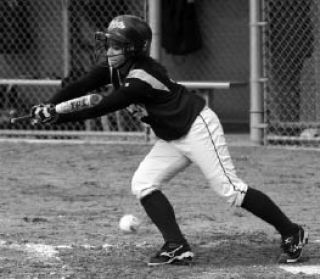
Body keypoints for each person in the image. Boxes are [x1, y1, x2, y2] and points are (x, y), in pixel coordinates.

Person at [31, 15, 308, 266]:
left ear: (132, 49)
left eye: (117, 45)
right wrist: (48, 105)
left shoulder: (141, 76)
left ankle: (291, 231)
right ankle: (176, 246)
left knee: (230, 190)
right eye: (109, 44)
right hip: (172, 135)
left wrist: (56, 117)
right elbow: (81, 86)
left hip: (197, 126)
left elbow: (104, 105)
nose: (109, 50)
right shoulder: (114, 66)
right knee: (143, 183)